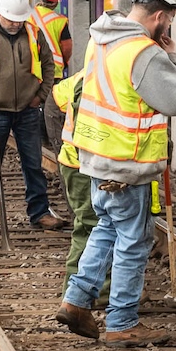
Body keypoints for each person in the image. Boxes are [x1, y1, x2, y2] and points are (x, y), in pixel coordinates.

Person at [55, 0, 176, 346]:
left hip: (96, 156)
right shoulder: (144, 52)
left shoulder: (100, 40)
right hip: (128, 163)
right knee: (133, 241)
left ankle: (77, 300)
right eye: (172, 17)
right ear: (161, 16)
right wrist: (173, 57)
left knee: (106, 229)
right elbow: (175, 100)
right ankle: (122, 322)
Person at [0, 0, 68, 233]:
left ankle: (39, 212)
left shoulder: (33, 32)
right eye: (11, 19)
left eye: (19, 20)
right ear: (0, 13)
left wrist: (40, 96)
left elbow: (48, 64)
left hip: (26, 109)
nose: (15, 24)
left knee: (33, 163)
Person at [52, 39, 104, 301]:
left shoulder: (84, 75)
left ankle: (85, 289)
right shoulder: (93, 82)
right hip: (82, 165)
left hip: (76, 162)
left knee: (90, 225)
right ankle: (81, 293)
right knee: (91, 226)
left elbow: (55, 98)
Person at [33, 0, 73, 77]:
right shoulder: (60, 21)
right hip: (53, 70)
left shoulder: (28, 15)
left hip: (32, 68)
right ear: (56, 2)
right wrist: (65, 61)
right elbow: (67, 48)